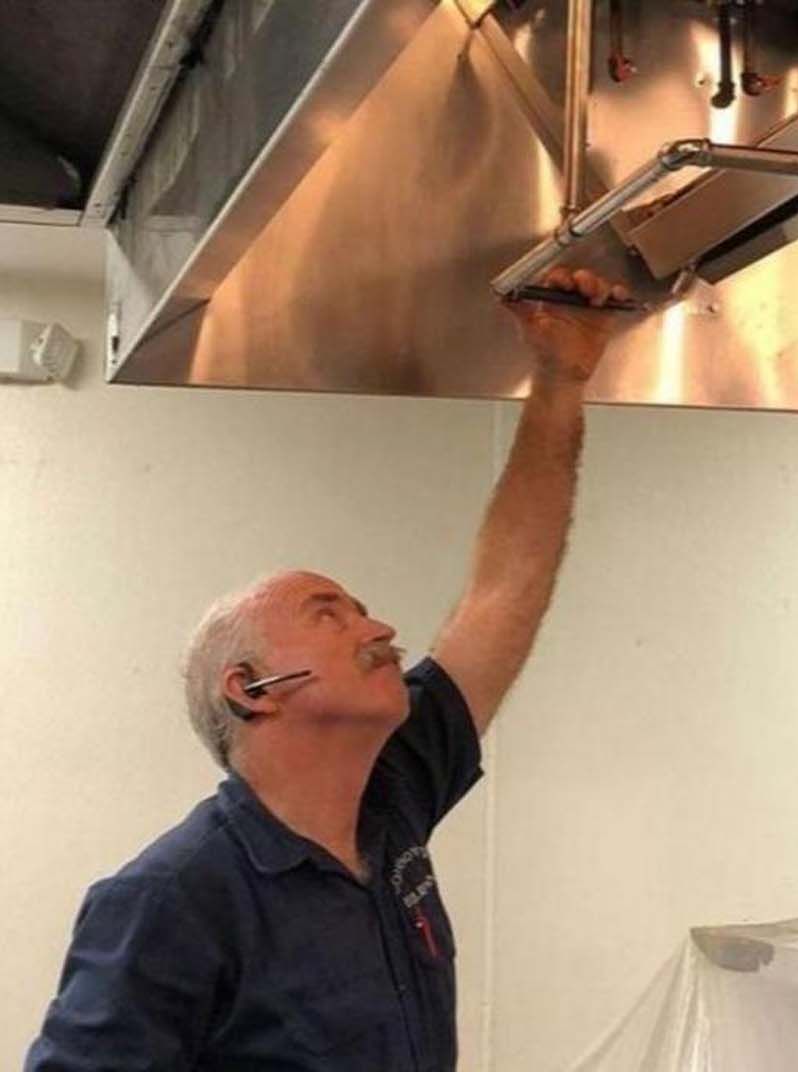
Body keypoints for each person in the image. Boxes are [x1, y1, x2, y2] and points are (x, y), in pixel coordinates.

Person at [25, 268, 631, 1070]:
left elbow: (505, 591)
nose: (379, 629)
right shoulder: (174, 899)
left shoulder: (394, 793)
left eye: (363, 609)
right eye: (328, 614)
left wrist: (560, 382)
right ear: (248, 689)